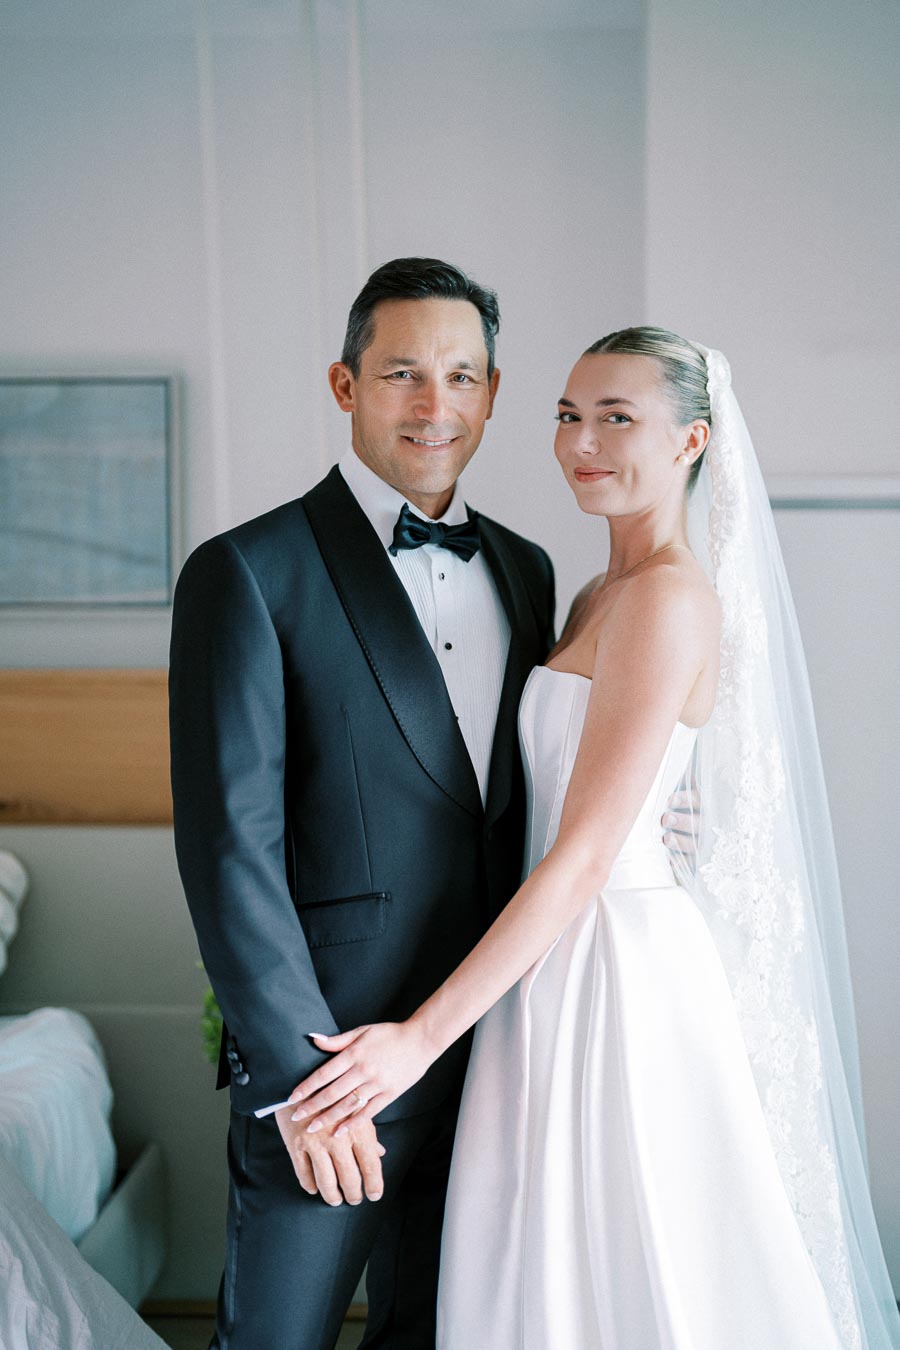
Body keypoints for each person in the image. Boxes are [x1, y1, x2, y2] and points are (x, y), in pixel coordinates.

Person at [291, 329, 900, 1348]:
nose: (582, 442)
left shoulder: (667, 597)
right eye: (569, 415)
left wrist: (418, 1041)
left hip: (618, 970)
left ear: (693, 440)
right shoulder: (589, 595)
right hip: (546, 962)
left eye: (619, 417)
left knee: (630, 1263)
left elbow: (583, 856)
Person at [168, 257, 559, 1349]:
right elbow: (228, 847)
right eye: (402, 375)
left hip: (488, 1048)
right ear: (346, 387)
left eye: (462, 377)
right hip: (331, 1067)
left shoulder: (529, 573)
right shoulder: (247, 571)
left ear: (492, 392)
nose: (436, 406)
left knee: (438, 1334)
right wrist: (306, 1087)